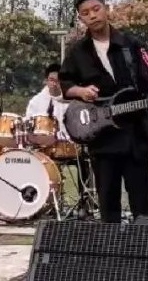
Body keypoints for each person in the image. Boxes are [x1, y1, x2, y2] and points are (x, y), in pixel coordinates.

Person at [59, 0, 148, 223]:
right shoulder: (77, 53)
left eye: (96, 9)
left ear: (106, 8)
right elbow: (65, 85)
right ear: (80, 18)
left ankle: (143, 243)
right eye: (85, 13)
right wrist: (81, 91)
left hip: (135, 137)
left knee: (142, 202)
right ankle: (112, 244)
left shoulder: (132, 45)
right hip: (102, 140)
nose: (92, 15)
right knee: (108, 204)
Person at [26, 63, 92, 202]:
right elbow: (28, 127)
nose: (54, 84)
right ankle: (44, 202)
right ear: (46, 81)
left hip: (70, 146)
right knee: (35, 162)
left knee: (85, 161)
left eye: (58, 81)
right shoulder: (35, 102)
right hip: (44, 148)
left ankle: (86, 201)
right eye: (51, 80)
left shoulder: (72, 101)